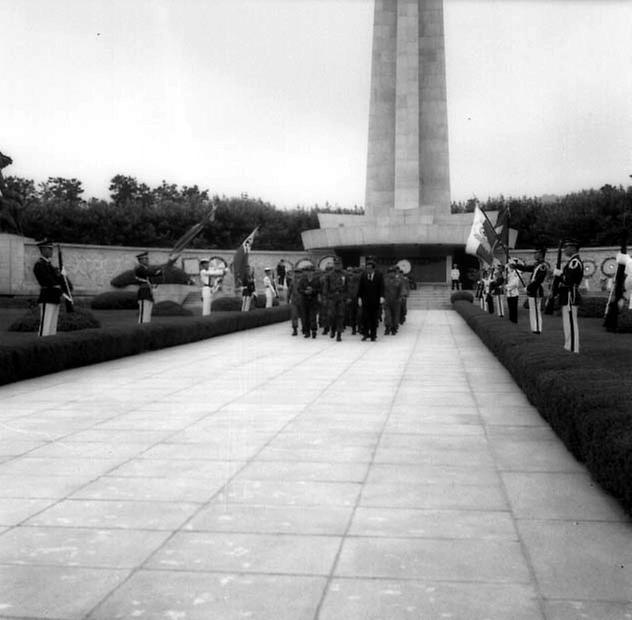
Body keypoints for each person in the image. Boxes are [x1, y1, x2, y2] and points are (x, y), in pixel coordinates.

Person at [555, 238, 584, 353]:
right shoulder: (572, 261)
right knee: (568, 322)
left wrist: (560, 274)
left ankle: (573, 347)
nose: (564, 250)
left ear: (573, 248)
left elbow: (568, 281)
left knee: (571, 323)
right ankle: (569, 345)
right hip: (567, 295)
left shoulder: (574, 262)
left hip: (570, 296)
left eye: (566, 247)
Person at [32, 239, 65, 336]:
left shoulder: (50, 265)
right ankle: (41, 346)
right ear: (43, 250)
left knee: (52, 328)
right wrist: (58, 281)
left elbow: (57, 280)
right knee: (45, 327)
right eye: (49, 249)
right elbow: (47, 281)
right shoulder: (39, 265)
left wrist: (61, 277)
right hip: (47, 297)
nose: (51, 251)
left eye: (51, 249)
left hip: (54, 298)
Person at [514, 246, 548, 334]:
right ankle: (534, 329)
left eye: (536, 253)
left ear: (540, 254)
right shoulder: (537, 265)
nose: (534, 255)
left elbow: (538, 281)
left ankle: (537, 329)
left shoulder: (542, 267)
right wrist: (515, 266)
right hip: (533, 291)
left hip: (536, 291)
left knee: (536, 311)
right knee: (533, 311)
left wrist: (528, 288)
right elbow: (526, 268)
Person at [357, 258, 384, 342]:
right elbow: (360, 287)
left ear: (373, 268)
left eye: (370, 268)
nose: (368, 270)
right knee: (365, 318)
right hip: (365, 301)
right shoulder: (363, 275)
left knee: (374, 319)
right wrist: (359, 298)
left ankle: (373, 335)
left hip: (375, 301)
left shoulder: (379, 275)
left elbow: (382, 287)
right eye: (367, 268)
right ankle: (365, 334)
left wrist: (382, 297)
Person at [322, 257, 348, 342]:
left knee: (340, 316)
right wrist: (325, 297)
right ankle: (333, 328)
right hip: (331, 297)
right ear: (334, 265)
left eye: (339, 264)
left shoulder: (345, 274)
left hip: (341, 297)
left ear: (341, 265)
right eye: (336, 264)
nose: (337, 266)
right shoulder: (329, 275)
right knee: (331, 315)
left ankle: (339, 334)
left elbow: (347, 287)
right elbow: (325, 288)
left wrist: (347, 297)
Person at [134, 251, 163, 324]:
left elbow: (153, 275)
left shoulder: (145, 269)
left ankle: (146, 325)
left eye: (147, 259)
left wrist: (160, 270)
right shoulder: (139, 268)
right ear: (140, 260)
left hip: (148, 291)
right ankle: (141, 327)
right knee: (143, 312)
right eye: (145, 259)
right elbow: (150, 273)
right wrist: (159, 269)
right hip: (143, 292)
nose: (147, 260)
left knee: (148, 311)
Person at [297, 264, 321, 338]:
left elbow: (320, 289)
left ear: (313, 272)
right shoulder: (302, 280)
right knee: (305, 317)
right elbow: (299, 289)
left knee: (313, 316)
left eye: (311, 271)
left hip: (313, 300)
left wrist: (313, 290)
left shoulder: (316, 280)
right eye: (308, 271)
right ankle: (307, 331)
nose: (309, 273)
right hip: (304, 300)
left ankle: (314, 331)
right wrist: (305, 292)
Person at [383, 266, 403, 335]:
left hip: (396, 301)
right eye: (389, 272)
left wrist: (400, 297)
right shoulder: (384, 280)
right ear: (388, 273)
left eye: (392, 272)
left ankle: (394, 328)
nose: (391, 274)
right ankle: (387, 327)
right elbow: (382, 290)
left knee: (395, 316)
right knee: (387, 315)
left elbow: (401, 290)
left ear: (395, 273)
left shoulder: (399, 281)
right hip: (387, 301)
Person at [505, 258, 522, 324]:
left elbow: (515, 284)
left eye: (511, 265)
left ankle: (514, 322)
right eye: (509, 265)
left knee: (514, 309)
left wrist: (507, 286)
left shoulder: (517, 272)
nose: (510, 266)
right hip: (509, 294)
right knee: (510, 309)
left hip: (514, 293)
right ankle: (511, 322)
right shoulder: (509, 273)